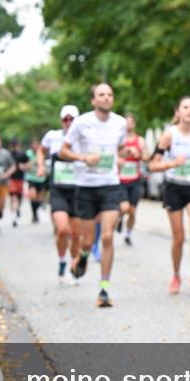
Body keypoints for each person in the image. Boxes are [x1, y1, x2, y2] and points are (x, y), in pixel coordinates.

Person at [60, 84, 128, 308]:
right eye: (102, 95)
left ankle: (104, 290)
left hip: (110, 185)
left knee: (107, 236)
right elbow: (64, 151)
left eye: (110, 94)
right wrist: (83, 158)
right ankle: (83, 255)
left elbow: (119, 150)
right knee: (88, 241)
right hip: (85, 186)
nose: (107, 98)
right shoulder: (81, 122)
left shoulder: (120, 123)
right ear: (93, 101)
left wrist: (126, 154)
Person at [149, 97, 190, 295]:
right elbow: (152, 165)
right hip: (174, 187)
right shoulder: (169, 135)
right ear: (178, 113)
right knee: (179, 238)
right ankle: (176, 275)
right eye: (186, 107)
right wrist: (171, 164)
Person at [42, 106, 82, 285]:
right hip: (58, 189)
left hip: (77, 190)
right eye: (65, 119)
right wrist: (41, 165)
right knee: (63, 229)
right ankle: (62, 260)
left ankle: (74, 265)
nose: (68, 122)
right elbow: (40, 151)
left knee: (75, 234)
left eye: (72, 119)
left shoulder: (83, 139)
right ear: (61, 121)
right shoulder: (52, 136)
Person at [117, 113, 145, 247]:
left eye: (130, 122)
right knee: (124, 207)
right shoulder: (118, 140)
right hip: (121, 179)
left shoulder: (140, 141)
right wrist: (119, 161)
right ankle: (119, 217)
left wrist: (138, 154)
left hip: (135, 179)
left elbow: (147, 157)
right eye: (126, 123)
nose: (128, 125)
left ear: (134, 124)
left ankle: (128, 234)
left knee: (132, 211)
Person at [24, 136, 48, 223]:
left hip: (41, 179)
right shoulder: (28, 154)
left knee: (39, 199)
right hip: (31, 178)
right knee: (33, 196)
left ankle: (37, 211)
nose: (34, 146)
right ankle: (34, 215)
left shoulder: (42, 153)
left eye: (36, 144)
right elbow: (25, 166)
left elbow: (46, 164)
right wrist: (33, 161)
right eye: (33, 144)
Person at [8, 139, 29, 227]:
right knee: (13, 198)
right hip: (11, 179)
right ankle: (14, 217)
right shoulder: (8, 155)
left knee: (19, 199)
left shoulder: (22, 154)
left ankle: (17, 210)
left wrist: (24, 167)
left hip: (20, 179)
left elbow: (28, 164)